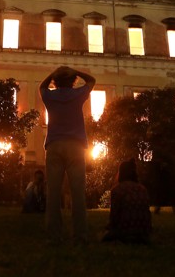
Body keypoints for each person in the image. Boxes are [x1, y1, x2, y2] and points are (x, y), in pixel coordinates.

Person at [40, 66, 96, 244]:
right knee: (77, 192)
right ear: (72, 81)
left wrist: (54, 72)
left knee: (53, 192)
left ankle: (54, 234)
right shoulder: (77, 95)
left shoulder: (49, 96)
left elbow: (42, 86)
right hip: (76, 146)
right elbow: (92, 80)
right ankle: (80, 235)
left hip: (54, 145)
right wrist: (76, 71)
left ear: (55, 82)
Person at [103, 158, 152, 244]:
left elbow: (114, 216)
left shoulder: (117, 190)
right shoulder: (142, 189)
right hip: (143, 232)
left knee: (104, 236)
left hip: (124, 231)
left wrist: (109, 228)